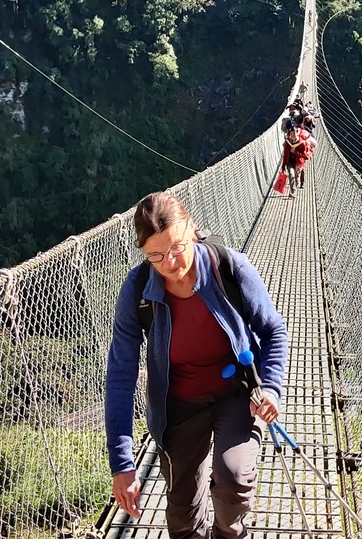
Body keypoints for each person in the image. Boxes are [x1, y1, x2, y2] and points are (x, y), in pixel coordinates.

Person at [105, 192, 288, 539]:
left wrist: (272, 389)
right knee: (183, 523)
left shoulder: (230, 268)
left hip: (236, 393)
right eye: (155, 255)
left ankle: (228, 533)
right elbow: (120, 375)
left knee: (233, 481)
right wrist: (122, 463)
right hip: (179, 405)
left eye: (177, 248)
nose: (170, 263)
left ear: (191, 229)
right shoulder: (137, 291)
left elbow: (273, 330)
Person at [283, 126, 314, 194]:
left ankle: (298, 186)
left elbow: (306, 156)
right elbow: (285, 154)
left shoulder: (302, 143)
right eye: (291, 134)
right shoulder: (288, 142)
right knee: (291, 175)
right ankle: (293, 192)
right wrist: (283, 167)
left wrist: (295, 152)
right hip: (290, 162)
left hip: (299, 163)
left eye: (293, 133)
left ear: (297, 133)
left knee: (297, 178)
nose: (292, 135)